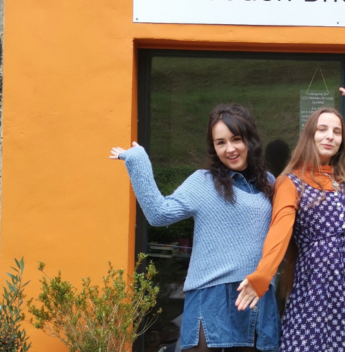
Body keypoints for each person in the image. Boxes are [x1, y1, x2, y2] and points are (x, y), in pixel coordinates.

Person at [236, 88, 345, 352]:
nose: (330, 136)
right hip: (316, 283)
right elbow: (280, 230)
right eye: (322, 129)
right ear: (310, 135)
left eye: (336, 132)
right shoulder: (291, 181)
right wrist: (262, 276)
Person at [110, 104, 280, 352]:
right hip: (209, 297)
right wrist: (138, 163)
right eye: (220, 142)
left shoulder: (270, 183)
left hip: (255, 295)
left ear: (250, 140)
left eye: (236, 139)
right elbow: (158, 214)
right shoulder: (204, 182)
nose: (229, 149)